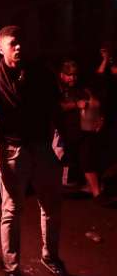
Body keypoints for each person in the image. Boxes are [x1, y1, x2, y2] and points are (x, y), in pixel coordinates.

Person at [0, 26, 75, 276]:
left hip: (42, 146)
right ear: (1, 48)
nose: (19, 48)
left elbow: (54, 109)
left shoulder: (40, 72)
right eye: (13, 43)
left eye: (22, 43)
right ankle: (12, 272)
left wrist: (62, 143)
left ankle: (51, 258)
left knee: (52, 207)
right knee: (11, 211)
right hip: (12, 149)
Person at [56, 60, 107, 204]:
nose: (72, 78)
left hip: (83, 132)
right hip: (64, 134)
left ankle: (97, 194)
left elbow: (95, 105)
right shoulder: (58, 90)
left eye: (74, 75)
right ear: (62, 75)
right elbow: (58, 107)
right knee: (65, 163)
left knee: (88, 160)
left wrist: (100, 119)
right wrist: (75, 105)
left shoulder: (82, 89)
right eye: (69, 75)